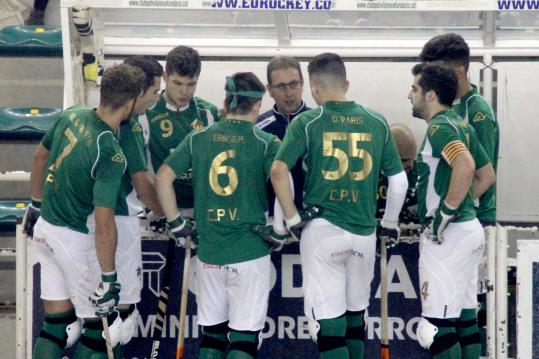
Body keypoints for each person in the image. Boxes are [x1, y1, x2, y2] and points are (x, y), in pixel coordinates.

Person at [270, 52, 408, 359]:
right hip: (363, 235)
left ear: (314, 89)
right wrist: (389, 224)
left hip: (323, 232)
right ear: (346, 83)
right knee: (355, 319)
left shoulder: (308, 121)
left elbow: (278, 171)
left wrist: (291, 218)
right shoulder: (376, 121)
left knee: (328, 327)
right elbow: (398, 182)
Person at [22, 64, 144, 359]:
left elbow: (40, 157)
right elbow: (104, 223)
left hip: (45, 231)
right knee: (101, 333)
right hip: (74, 241)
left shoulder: (71, 115)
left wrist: (36, 203)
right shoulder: (110, 152)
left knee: (56, 325)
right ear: (129, 103)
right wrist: (110, 278)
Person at [155, 72, 279, 358]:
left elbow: (162, 178)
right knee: (244, 340)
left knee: (212, 337)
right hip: (250, 252)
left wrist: (176, 223)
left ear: (225, 101)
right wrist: (283, 226)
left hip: (209, 252)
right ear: (258, 105)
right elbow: (281, 178)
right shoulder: (265, 142)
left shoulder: (197, 138)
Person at [419, 33, 500, 353]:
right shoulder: (454, 111)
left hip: (468, 219)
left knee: (439, 322)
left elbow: (482, 172)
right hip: (467, 219)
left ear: (459, 72)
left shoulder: (474, 111)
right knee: (463, 315)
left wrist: (452, 209)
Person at [106, 55, 165, 354]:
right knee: (122, 319)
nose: (156, 99)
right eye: (155, 91)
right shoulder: (129, 128)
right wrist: (171, 217)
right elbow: (142, 183)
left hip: (89, 221)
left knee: (95, 317)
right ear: (138, 90)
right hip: (120, 221)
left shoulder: (87, 116)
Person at [138, 45, 220, 216]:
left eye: (191, 84)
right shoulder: (145, 114)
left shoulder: (209, 114)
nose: (184, 91)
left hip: (200, 209)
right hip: (159, 210)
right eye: (178, 83)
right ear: (166, 78)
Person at [256, 56, 310, 215]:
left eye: (294, 84)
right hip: (270, 218)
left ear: (302, 84)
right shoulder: (257, 128)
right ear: (269, 90)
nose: (289, 93)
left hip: (311, 216)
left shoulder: (317, 124)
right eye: (280, 86)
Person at [376, 123, 419, 225]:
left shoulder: (420, 174)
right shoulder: (368, 176)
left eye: (413, 158)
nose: (411, 165)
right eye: (404, 160)